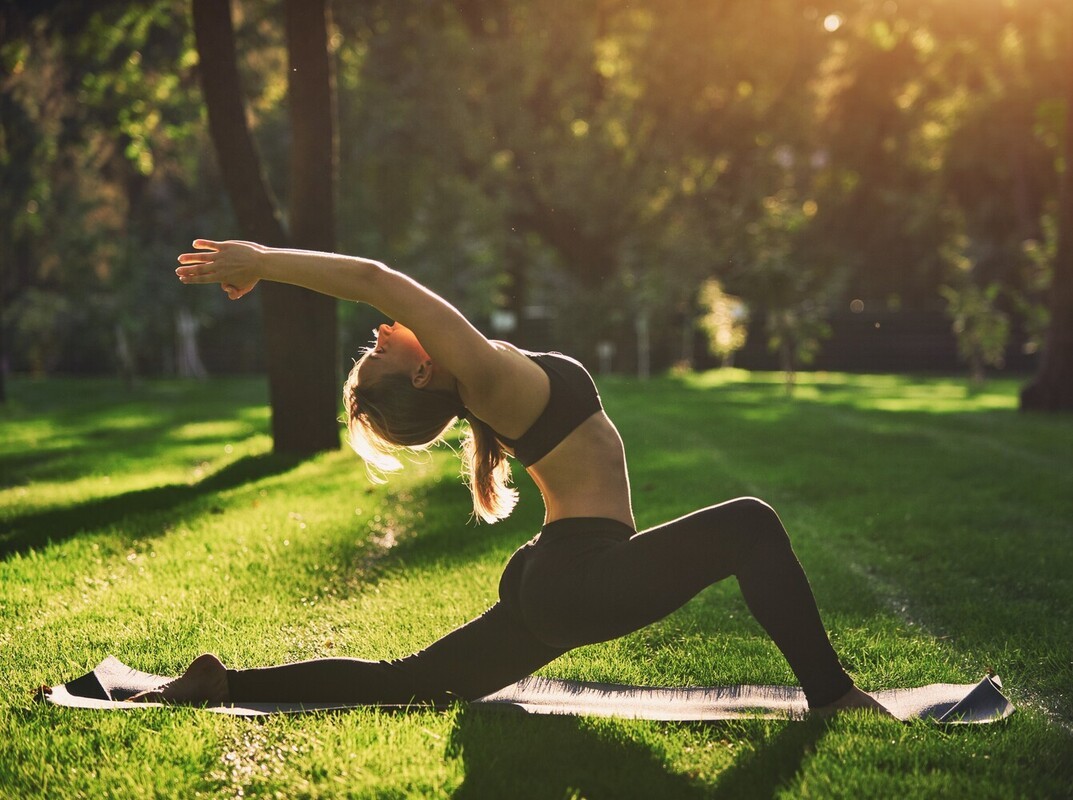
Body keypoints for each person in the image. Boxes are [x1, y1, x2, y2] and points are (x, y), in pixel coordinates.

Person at [136, 239, 888, 716]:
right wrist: (263, 262)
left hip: (556, 576)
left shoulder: (482, 382)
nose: (380, 333)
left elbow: (384, 293)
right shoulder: (482, 376)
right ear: (426, 368)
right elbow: (374, 279)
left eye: (374, 345)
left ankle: (228, 682)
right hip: (583, 578)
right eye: (380, 351)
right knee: (749, 523)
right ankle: (835, 696)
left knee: (410, 683)